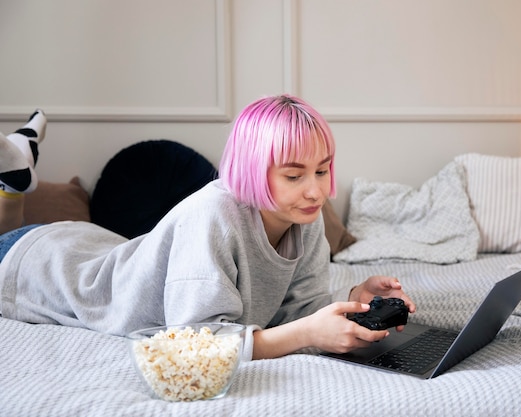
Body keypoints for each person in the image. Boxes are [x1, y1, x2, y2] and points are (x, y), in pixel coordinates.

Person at [0, 95, 415, 361]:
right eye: (294, 176)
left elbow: (296, 312)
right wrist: (307, 333)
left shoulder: (303, 217)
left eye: (322, 171)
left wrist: (354, 303)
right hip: (38, 262)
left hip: (97, 246)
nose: (315, 191)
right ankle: (13, 176)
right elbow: (195, 344)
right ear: (253, 171)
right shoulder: (213, 215)